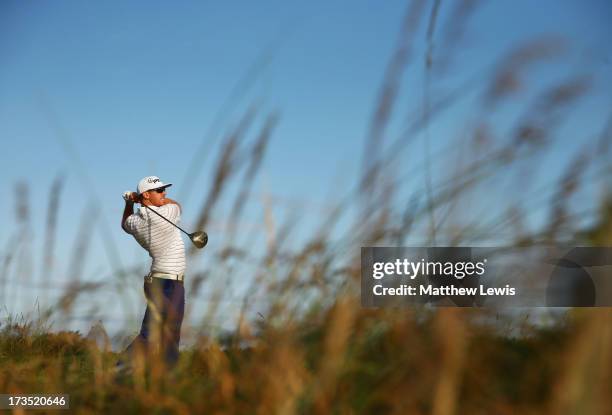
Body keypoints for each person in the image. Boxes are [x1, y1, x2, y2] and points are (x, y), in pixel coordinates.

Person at [119, 175, 186, 370]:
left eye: (164, 190)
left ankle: (125, 370)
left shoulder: (136, 222)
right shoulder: (168, 212)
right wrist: (138, 199)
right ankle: (163, 377)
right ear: (147, 194)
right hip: (170, 284)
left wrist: (129, 202)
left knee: (153, 334)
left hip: (156, 282)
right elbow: (178, 205)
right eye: (159, 190)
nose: (164, 194)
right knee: (166, 335)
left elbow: (125, 224)